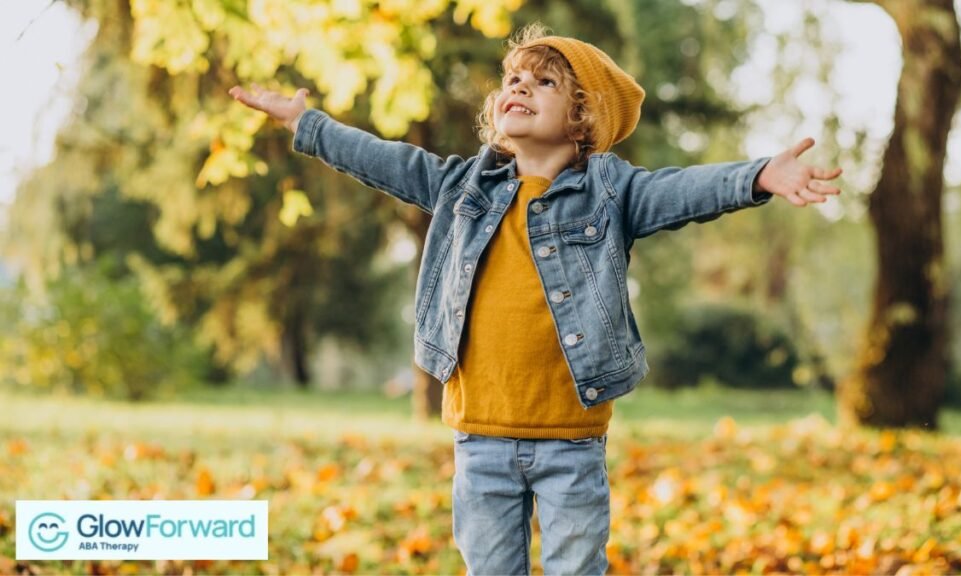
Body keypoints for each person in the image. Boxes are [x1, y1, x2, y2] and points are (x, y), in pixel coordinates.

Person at [230, 22, 841, 576]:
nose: (517, 87)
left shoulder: (609, 191)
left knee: (576, 568)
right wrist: (305, 123)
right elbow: (385, 160)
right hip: (480, 439)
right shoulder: (461, 186)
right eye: (512, 79)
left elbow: (681, 190)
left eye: (543, 82)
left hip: (570, 440)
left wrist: (758, 175)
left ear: (583, 117)